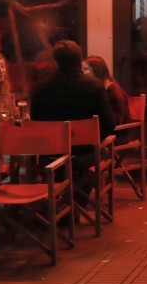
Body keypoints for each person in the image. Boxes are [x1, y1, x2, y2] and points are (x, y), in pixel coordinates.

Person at [31, 40, 116, 203]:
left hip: (50, 156)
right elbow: (108, 123)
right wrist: (91, 140)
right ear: (79, 60)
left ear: (56, 62)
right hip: (85, 155)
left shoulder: (41, 89)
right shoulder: (95, 87)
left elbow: (36, 125)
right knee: (100, 155)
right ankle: (76, 203)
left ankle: (62, 204)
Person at [82, 55, 131, 126]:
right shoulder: (100, 89)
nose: (82, 73)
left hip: (117, 134)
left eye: (86, 69)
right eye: (82, 69)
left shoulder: (115, 93)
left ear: (96, 71)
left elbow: (116, 121)